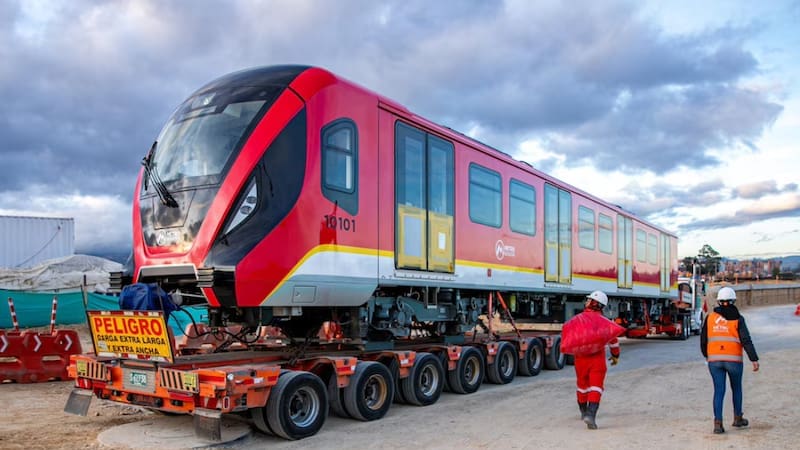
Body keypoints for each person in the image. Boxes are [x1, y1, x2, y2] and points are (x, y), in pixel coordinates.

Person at [701, 286, 760, 434]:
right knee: (736, 388)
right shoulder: (738, 319)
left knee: (719, 391)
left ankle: (718, 423)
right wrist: (754, 359)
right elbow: (746, 340)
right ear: (733, 300)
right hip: (734, 361)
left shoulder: (710, 317)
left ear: (719, 301)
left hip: (714, 361)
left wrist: (707, 356)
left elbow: (703, 340)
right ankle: (738, 418)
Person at [573, 290, 621, 430]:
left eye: (589, 300)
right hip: (597, 359)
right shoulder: (605, 322)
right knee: (596, 387)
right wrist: (615, 355)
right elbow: (613, 341)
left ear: (594, 303)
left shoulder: (578, 319)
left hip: (580, 358)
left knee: (582, 386)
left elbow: (571, 338)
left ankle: (583, 412)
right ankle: (591, 415)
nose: (586, 301)